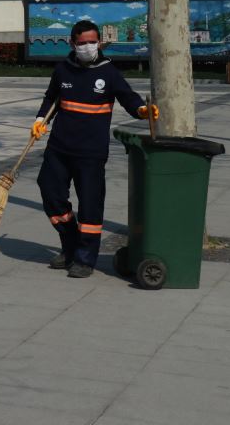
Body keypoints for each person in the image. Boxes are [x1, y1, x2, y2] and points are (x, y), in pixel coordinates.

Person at [31, 19, 157, 278]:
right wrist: (40, 120)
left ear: (99, 42)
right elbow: (51, 98)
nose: (88, 47)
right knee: (49, 191)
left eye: (93, 42)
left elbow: (127, 96)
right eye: (82, 43)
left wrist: (142, 111)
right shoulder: (63, 70)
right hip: (59, 148)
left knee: (90, 205)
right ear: (72, 43)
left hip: (91, 152)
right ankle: (70, 243)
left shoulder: (108, 72)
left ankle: (85, 258)